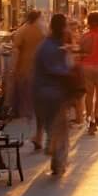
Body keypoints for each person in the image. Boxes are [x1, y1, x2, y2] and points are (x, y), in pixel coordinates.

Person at [32, 14, 80, 175]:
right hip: (54, 93)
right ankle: (57, 157)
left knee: (54, 126)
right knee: (60, 128)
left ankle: (54, 151)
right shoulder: (51, 47)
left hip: (44, 93)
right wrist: (71, 72)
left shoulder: (49, 45)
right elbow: (57, 70)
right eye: (66, 26)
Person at [11, 10, 45, 136]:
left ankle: (28, 116)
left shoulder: (22, 30)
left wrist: (14, 68)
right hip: (38, 69)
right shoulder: (42, 30)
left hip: (25, 69)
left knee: (26, 95)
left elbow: (16, 51)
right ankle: (35, 120)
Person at [79, 12, 98, 134]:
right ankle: (96, 115)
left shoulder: (85, 37)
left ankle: (90, 121)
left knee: (89, 95)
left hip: (86, 68)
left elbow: (80, 52)